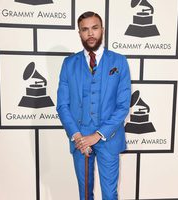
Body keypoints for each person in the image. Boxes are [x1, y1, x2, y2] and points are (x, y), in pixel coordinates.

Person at [57, 11, 131, 200]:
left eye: (94, 28)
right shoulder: (68, 64)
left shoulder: (119, 62)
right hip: (80, 137)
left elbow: (123, 106)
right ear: (79, 33)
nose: (90, 34)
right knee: (84, 194)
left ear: (102, 30)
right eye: (85, 30)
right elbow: (62, 105)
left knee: (110, 193)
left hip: (109, 137)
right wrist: (77, 136)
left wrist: (97, 135)